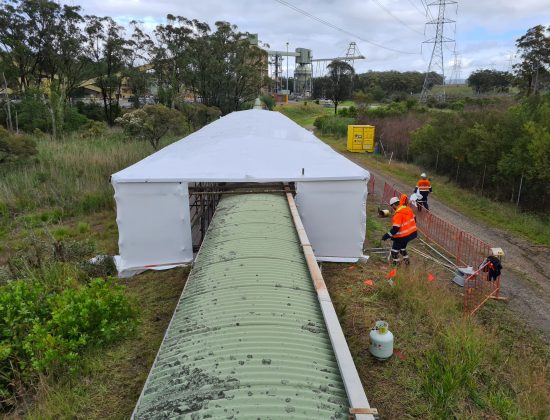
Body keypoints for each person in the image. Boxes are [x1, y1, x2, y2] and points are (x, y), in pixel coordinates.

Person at [381, 194, 418, 265]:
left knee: (394, 252)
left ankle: (396, 266)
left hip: (402, 237)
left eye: (392, 206)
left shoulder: (398, 214)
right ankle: (407, 262)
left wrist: (386, 236)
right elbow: (414, 219)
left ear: (394, 205)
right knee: (402, 249)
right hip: (410, 234)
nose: (392, 208)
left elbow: (395, 229)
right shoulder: (408, 209)